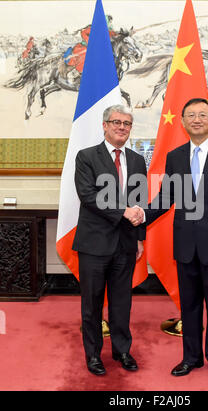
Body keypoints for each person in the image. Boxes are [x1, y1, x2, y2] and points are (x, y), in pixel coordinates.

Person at [144, 98, 208, 384]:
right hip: (186, 245)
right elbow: (167, 197)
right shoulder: (176, 156)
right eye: (191, 115)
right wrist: (142, 214)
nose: (197, 119)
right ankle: (190, 357)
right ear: (183, 122)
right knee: (188, 305)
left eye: (203, 114)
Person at [72, 104, 147, 376]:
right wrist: (124, 212)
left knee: (121, 302)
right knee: (91, 304)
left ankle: (122, 350)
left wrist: (139, 238)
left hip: (126, 245)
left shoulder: (138, 161)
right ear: (105, 125)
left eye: (127, 124)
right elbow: (88, 196)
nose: (122, 127)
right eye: (116, 122)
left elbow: (139, 202)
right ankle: (93, 355)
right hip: (94, 244)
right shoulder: (87, 157)